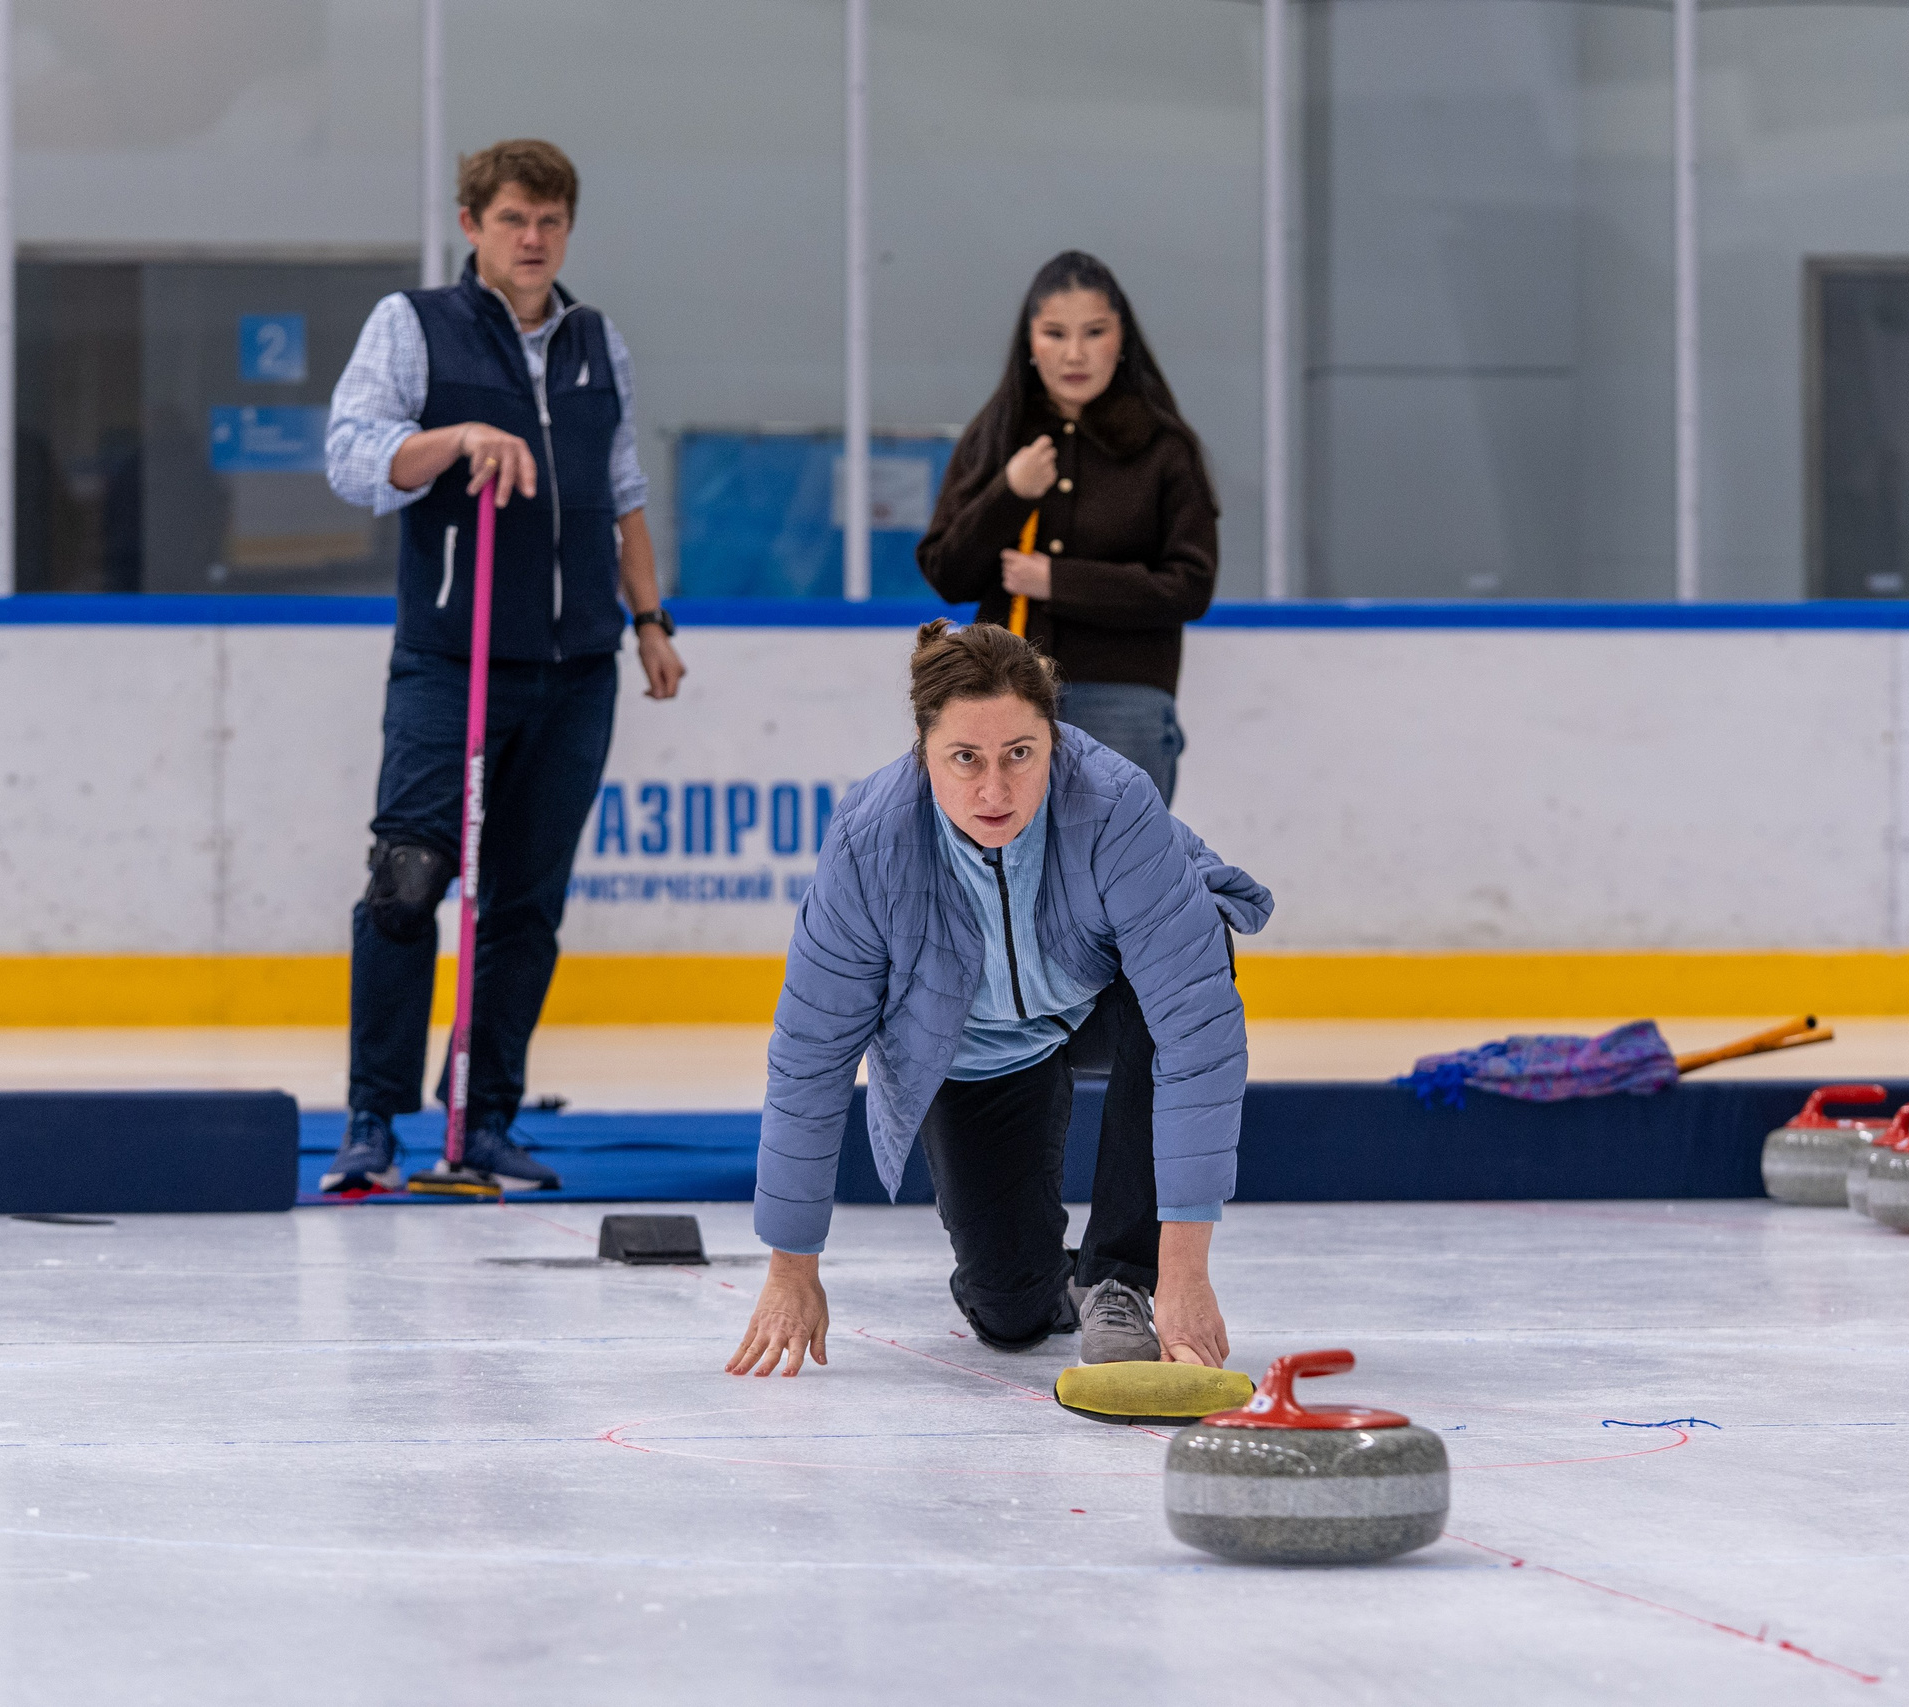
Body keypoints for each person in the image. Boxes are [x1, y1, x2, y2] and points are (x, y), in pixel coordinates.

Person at [728, 621, 1272, 1378]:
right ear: (925, 752)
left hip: (1101, 1003)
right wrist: (792, 1271)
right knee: (1008, 1312)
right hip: (978, 1047)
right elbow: (810, 1056)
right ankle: (1049, 1279)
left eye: (1021, 753)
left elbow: (1197, 1031)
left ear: (1055, 738)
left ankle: (1120, 1277)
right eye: (966, 759)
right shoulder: (869, 841)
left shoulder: (1114, 803)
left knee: (1197, 955)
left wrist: (1181, 1275)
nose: (995, 789)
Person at [320, 138, 686, 1194]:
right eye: (514, 219)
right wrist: (456, 438)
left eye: (551, 221)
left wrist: (650, 621)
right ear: (472, 224)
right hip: (451, 654)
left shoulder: (594, 341)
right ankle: (373, 1119)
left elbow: (621, 493)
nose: (533, 239)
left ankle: (482, 1120)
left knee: (524, 903)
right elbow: (351, 458)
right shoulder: (413, 325)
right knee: (408, 879)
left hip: (577, 666)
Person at [916, 251, 1218, 806]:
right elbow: (946, 572)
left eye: (1094, 332)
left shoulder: (1165, 449)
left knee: (1120, 875)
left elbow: (1189, 586)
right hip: (1003, 697)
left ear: (1121, 337)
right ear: (1029, 341)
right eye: (1055, 333)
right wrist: (1010, 493)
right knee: (1008, 873)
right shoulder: (997, 435)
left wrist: (1060, 581)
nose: (1074, 354)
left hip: (1125, 697)